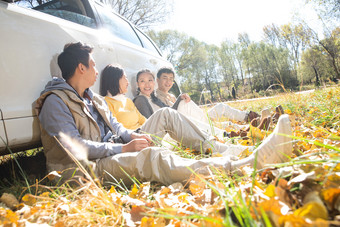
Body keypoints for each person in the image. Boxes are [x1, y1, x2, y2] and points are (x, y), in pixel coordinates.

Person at [35, 41, 293, 186]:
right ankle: (239, 166)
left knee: (166, 116)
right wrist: (125, 149)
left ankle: (220, 148)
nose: (96, 70)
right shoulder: (55, 102)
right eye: (92, 65)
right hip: (84, 168)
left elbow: (118, 128)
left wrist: (132, 137)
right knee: (152, 156)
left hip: (112, 149)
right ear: (81, 68)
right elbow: (75, 148)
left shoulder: (95, 99)